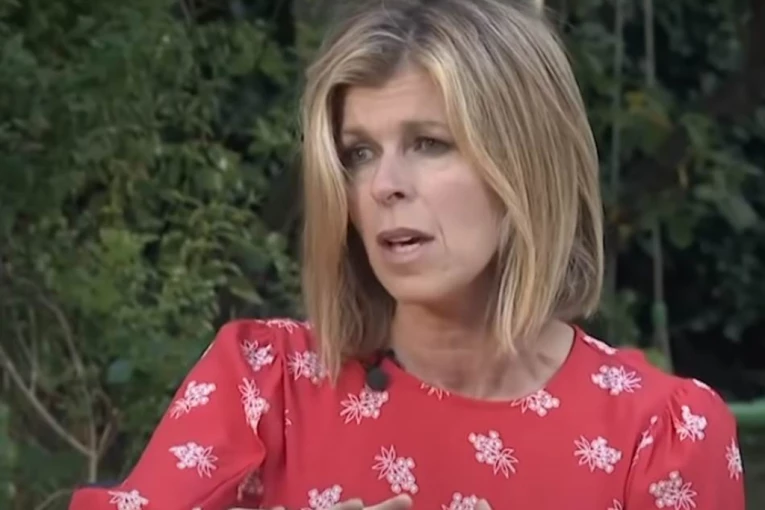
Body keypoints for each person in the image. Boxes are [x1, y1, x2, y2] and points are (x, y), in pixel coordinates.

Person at [68, 0, 746, 509]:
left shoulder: (659, 436)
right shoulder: (264, 386)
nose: (383, 184)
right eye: (359, 152)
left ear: (527, 169)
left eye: (429, 143)